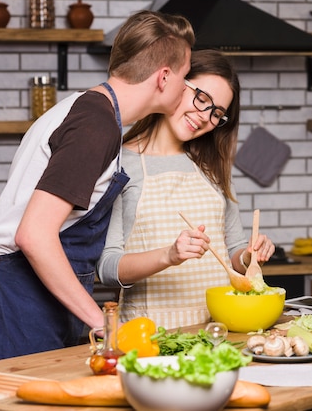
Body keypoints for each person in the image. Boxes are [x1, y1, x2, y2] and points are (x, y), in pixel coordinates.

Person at [0, 10, 195, 363]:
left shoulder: (91, 111)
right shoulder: (95, 125)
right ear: (163, 77)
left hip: (32, 302)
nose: (187, 87)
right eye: (185, 76)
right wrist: (104, 323)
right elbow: (34, 234)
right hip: (15, 303)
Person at [98, 50, 275, 329]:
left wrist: (250, 255)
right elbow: (108, 268)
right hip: (149, 336)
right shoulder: (121, 163)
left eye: (217, 113)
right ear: (176, 84)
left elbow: (235, 252)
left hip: (217, 332)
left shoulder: (213, 166)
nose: (205, 116)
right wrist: (169, 255)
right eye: (201, 98)